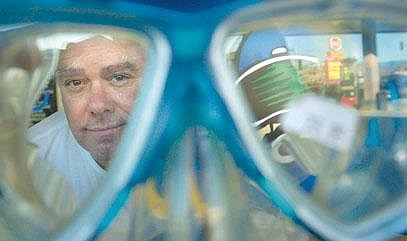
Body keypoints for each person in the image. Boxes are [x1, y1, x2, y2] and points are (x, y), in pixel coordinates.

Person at [27, 36, 146, 203]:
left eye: (119, 77)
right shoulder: (31, 161)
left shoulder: (192, 145)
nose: (97, 106)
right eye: (75, 82)